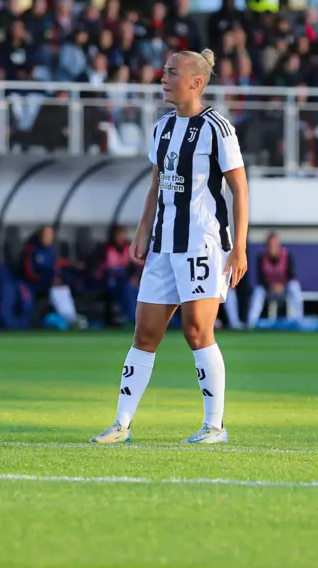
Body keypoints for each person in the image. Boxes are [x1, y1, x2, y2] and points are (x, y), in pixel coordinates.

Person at [91, 49, 249, 446]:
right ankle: (121, 425)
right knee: (145, 333)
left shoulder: (217, 128)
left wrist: (240, 247)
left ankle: (215, 426)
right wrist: (143, 229)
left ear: (196, 82)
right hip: (163, 245)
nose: (163, 77)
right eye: (163, 71)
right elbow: (157, 184)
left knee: (197, 331)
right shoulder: (162, 128)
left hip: (202, 243)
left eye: (172, 72)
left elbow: (239, 188)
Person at [245, 232, 303, 328]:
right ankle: (251, 323)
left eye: (275, 244)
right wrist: (271, 286)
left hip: (284, 289)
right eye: (270, 245)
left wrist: (282, 285)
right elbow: (260, 278)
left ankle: (298, 321)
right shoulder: (261, 257)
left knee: (294, 286)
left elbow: (291, 275)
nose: (272, 247)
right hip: (269, 290)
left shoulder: (287, 256)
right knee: (258, 291)